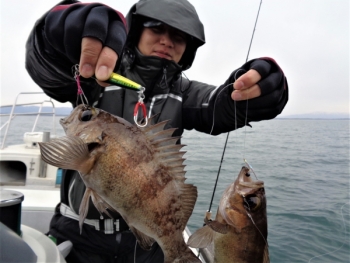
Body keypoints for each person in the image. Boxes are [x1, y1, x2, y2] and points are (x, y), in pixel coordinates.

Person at [25, 0, 288, 262]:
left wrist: (259, 92)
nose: (167, 41)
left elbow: (220, 105)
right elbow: (48, 67)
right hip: (78, 235)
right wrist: (56, 31)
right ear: (135, 30)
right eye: (155, 27)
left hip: (147, 248)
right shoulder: (98, 76)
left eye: (179, 36)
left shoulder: (185, 95)